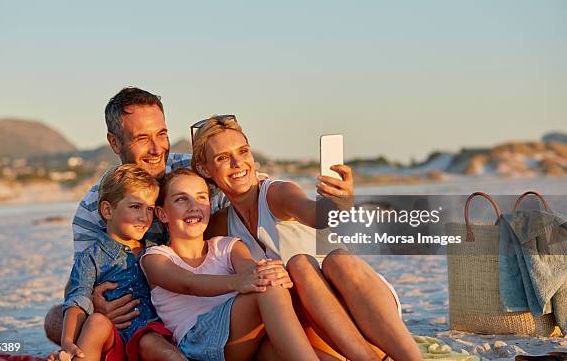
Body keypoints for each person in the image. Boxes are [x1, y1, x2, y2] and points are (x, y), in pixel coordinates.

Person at [191, 115, 424, 361]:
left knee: (318, 262)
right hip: (318, 335)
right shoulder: (219, 224)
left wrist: (338, 204)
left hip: (366, 316)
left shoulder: (276, 193)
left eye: (243, 151)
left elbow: (315, 214)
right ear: (206, 169)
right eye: (223, 158)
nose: (238, 163)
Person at [46, 87, 218, 360]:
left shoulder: (192, 173)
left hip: (198, 292)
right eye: (142, 138)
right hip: (135, 312)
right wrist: (97, 306)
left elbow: (250, 184)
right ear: (115, 143)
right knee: (56, 317)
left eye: (162, 134)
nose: (157, 148)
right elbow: (80, 277)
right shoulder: (93, 207)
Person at [141, 168, 319, 361]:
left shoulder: (226, 246)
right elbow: (190, 283)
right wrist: (240, 282)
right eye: (181, 199)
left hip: (241, 340)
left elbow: (251, 270)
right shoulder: (156, 257)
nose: (194, 206)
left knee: (268, 284)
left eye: (201, 198)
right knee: (266, 287)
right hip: (197, 342)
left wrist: (274, 274)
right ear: (162, 213)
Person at [60, 164, 171, 361]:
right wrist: (68, 341)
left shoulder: (156, 250)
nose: (145, 217)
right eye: (135, 206)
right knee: (96, 322)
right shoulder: (90, 257)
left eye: (150, 209)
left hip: (149, 333)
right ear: (107, 210)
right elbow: (78, 299)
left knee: (152, 341)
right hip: (112, 339)